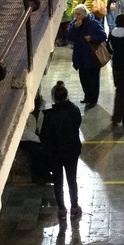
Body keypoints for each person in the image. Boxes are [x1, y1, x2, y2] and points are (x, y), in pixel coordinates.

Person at [38, 80, 83, 220]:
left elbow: (44, 137)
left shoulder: (49, 116)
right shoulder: (74, 110)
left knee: (58, 182)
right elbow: (77, 125)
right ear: (66, 95)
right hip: (72, 151)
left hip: (55, 154)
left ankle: (62, 210)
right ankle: (74, 208)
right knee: (72, 180)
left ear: (54, 97)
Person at [65, 4, 107, 108]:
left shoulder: (93, 23)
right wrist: (74, 28)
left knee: (93, 80)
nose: (76, 16)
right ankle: (87, 96)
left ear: (85, 13)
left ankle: (93, 99)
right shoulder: (74, 24)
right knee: (84, 79)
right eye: (75, 14)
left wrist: (92, 38)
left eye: (78, 14)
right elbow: (69, 36)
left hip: (91, 57)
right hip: (80, 57)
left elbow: (103, 35)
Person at [18, 92, 52, 185]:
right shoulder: (23, 113)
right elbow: (25, 133)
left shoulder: (40, 111)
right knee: (36, 151)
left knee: (48, 148)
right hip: (24, 139)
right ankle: (37, 176)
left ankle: (46, 173)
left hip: (35, 137)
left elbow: (40, 126)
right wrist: (40, 140)